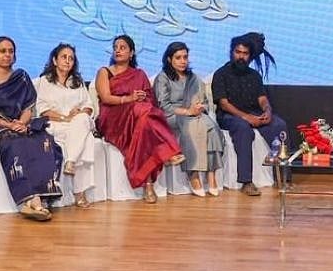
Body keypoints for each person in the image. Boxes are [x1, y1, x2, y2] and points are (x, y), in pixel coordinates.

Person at [0, 36, 62, 221]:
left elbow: (27, 109)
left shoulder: (21, 77)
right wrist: (9, 125)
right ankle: (32, 200)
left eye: (11, 51)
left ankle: (41, 198)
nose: (7, 55)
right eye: (3, 51)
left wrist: (21, 123)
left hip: (19, 123)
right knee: (14, 142)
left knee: (44, 141)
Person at [93, 34, 184, 203]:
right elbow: (105, 98)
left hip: (137, 117)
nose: (117, 51)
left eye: (122, 48)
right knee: (143, 111)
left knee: (144, 121)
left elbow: (150, 100)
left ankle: (148, 184)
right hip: (112, 117)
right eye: (115, 48)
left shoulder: (139, 74)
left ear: (132, 53)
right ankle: (168, 151)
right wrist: (130, 98)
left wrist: (140, 98)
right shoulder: (104, 72)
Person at [212, 32, 288, 196]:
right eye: (238, 52)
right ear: (231, 52)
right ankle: (246, 181)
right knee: (243, 128)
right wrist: (246, 117)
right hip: (229, 116)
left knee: (279, 125)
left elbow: (262, 99)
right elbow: (224, 104)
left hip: (253, 113)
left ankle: (283, 177)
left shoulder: (254, 76)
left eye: (245, 53)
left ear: (249, 56)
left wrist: (267, 110)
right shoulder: (221, 74)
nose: (241, 56)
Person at [33, 43, 101, 208]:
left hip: (77, 124)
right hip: (57, 124)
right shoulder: (44, 81)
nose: (68, 61)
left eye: (71, 58)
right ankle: (79, 193)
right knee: (86, 140)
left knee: (83, 120)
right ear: (54, 60)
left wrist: (78, 114)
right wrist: (65, 117)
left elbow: (88, 106)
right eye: (64, 57)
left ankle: (70, 161)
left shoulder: (77, 82)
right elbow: (42, 109)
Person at [154, 41, 223, 197]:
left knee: (211, 127)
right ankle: (193, 175)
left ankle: (211, 175)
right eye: (178, 57)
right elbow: (163, 106)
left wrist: (199, 107)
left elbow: (204, 102)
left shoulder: (194, 78)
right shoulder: (163, 78)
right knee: (191, 126)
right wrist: (187, 111)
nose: (183, 61)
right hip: (172, 116)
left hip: (194, 114)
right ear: (169, 59)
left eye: (185, 57)